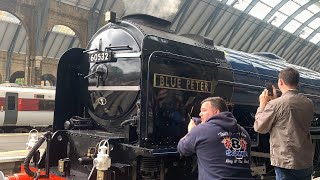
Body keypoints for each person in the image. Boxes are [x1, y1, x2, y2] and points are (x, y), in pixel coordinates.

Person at [254, 67, 314, 180]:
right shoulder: (308, 103)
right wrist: (276, 100)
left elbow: (259, 127)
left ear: (280, 82)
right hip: (305, 160)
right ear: (297, 82)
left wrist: (262, 105)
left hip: (286, 161)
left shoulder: (276, 105)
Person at [177, 97, 253, 180]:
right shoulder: (244, 133)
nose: (200, 114)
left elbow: (182, 149)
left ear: (217, 112)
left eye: (204, 110)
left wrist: (191, 131)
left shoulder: (201, 130)